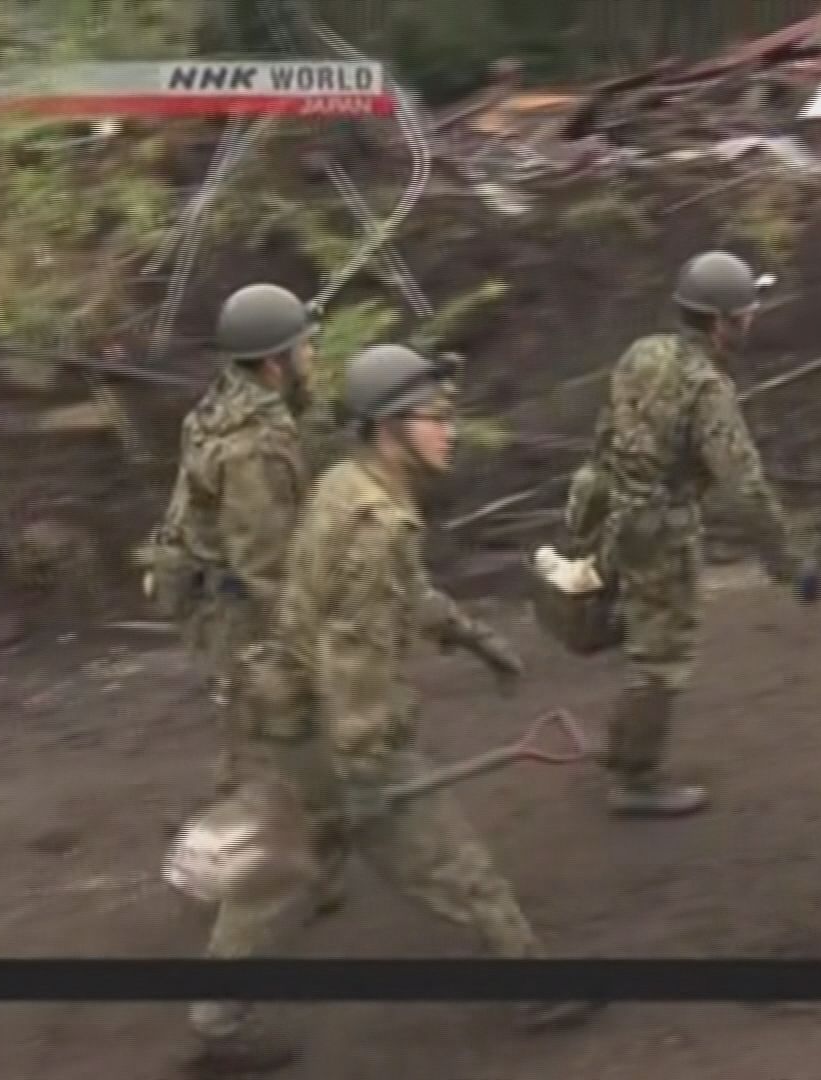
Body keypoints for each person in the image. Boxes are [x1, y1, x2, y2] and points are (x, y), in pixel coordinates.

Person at [186, 344, 597, 1074]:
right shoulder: (379, 523)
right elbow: (356, 654)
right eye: (432, 417)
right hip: (337, 724)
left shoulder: (347, 485)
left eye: (448, 416)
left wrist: (472, 637)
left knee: (284, 861)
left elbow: (400, 595)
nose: (450, 430)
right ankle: (535, 987)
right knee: (451, 860)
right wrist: (368, 764)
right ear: (386, 426)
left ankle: (217, 1011)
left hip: (289, 714)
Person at [568, 251, 821, 818]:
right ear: (722, 321)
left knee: (641, 628)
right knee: (664, 655)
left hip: (613, 514)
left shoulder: (643, 353)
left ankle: (624, 741)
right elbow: (745, 486)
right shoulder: (707, 388)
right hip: (660, 529)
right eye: (746, 311)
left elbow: (609, 431)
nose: (752, 318)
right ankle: (634, 776)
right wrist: (789, 563)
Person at [141, 283, 314, 796]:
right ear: (275, 363)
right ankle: (251, 840)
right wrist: (312, 635)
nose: (313, 355)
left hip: (209, 590)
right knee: (277, 725)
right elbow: (264, 563)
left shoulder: (219, 405)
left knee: (253, 717)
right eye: (305, 346)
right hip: (237, 607)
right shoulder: (253, 445)